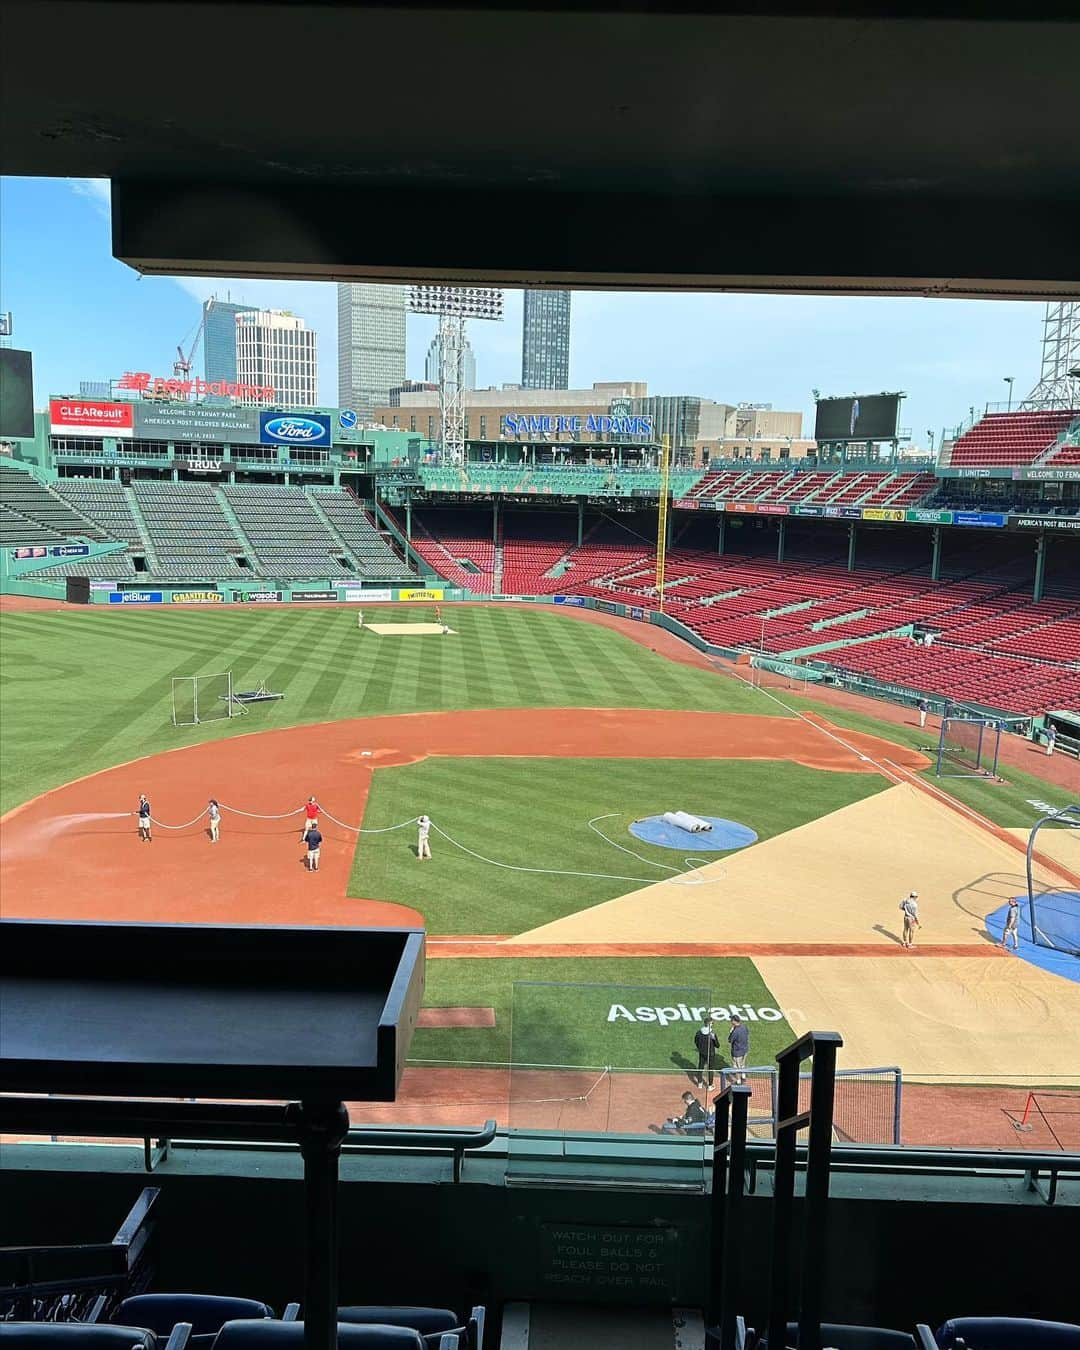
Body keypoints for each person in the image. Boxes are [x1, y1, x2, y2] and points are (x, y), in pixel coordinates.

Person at [694, 1016, 720, 1091]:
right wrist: (714, 1038)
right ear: (709, 1024)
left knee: (700, 1067)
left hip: (702, 1053)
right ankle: (710, 1085)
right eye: (712, 1023)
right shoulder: (712, 1034)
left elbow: (696, 1041)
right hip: (710, 1054)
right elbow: (717, 1045)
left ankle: (699, 1083)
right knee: (710, 1069)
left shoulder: (699, 1032)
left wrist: (700, 1048)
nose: (713, 1024)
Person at [728, 1014, 749, 1084]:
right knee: (743, 1064)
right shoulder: (744, 1027)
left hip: (737, 1052)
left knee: (736, 1066)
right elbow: (747, 1033)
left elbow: (730, 1040)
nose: (730, 1021)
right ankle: (743, 1076)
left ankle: (738, 1081)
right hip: (745, 1050)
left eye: (731, 1020)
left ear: (734, 1021)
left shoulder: (735, 1032)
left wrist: (731, 1032)